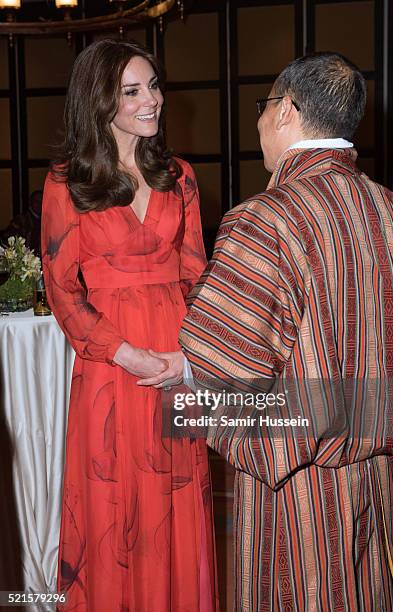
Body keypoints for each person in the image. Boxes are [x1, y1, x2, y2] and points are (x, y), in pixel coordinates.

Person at [141, 52, 393, 610]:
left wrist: (189, 373)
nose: (261, 123)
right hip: (378, 473)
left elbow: (226, 363)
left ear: (287, 110)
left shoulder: (266, 218)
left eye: (264, 108)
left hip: (297, 487)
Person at [41, 39, 218, 612]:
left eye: (154, 86)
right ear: (99, 101)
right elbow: (62, 290)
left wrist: (186, 359)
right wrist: (125, 354)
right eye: (133, 91)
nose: (153, 101)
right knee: (112, 507)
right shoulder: (66, 182)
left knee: (177, 502)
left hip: (176, 366)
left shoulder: (180, 176)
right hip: (110, 370)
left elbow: (198, 275)